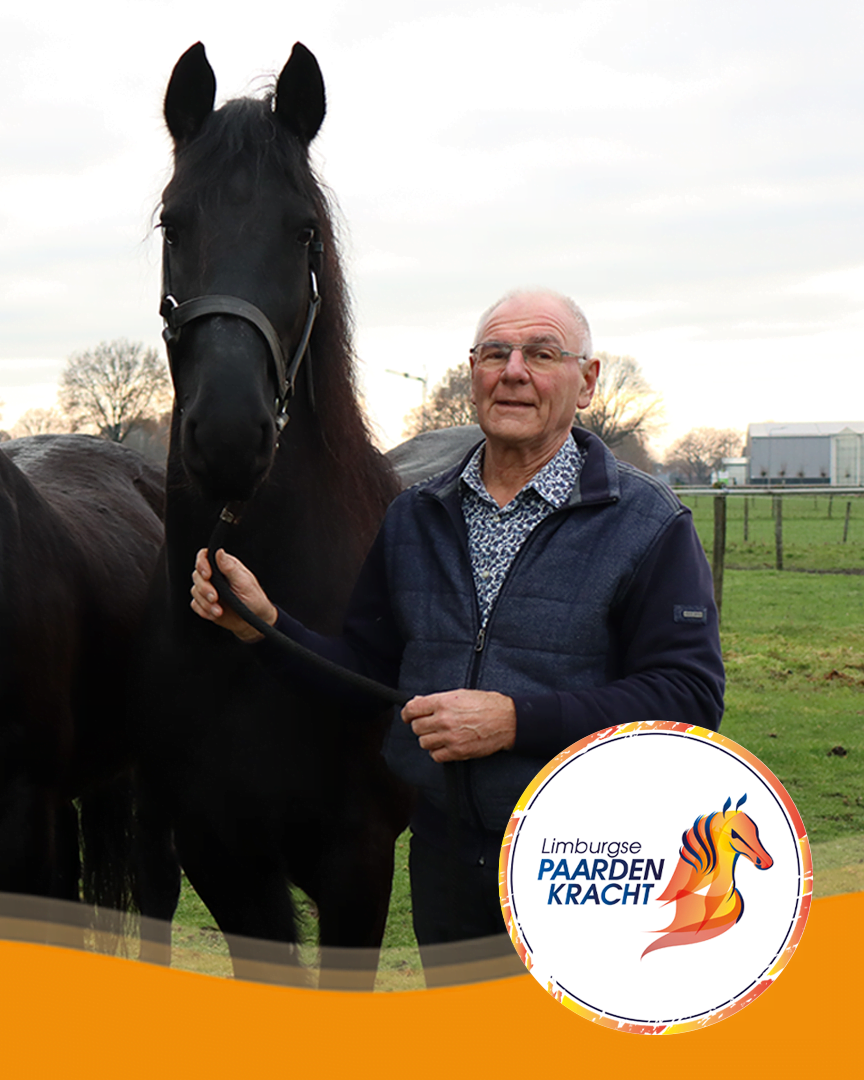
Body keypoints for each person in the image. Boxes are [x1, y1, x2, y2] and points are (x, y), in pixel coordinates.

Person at [190, 288, 724, 981]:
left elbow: (689, 696)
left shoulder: (647, 524)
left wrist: (514, 720)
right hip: (446, 855)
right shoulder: (416, 516)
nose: (514, 371)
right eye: (495, 353)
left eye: (542, 354)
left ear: (586, 382)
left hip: (586, 857)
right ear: (472, 372)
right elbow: (364, 675)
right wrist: (264, 625)